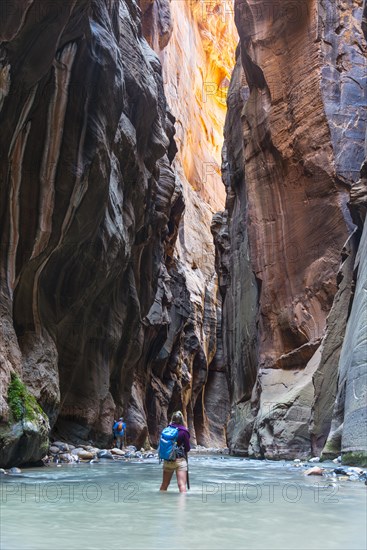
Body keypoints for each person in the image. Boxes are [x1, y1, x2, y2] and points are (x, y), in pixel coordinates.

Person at [160, 411, 190, 493]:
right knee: (182, 485)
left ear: (172, 419)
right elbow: (187, 448)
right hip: (179, 461)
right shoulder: (184, 431)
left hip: (167, 459)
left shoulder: (166, 430)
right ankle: (183, 505)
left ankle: (161, 503)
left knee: (164, 484)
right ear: (182, 420)